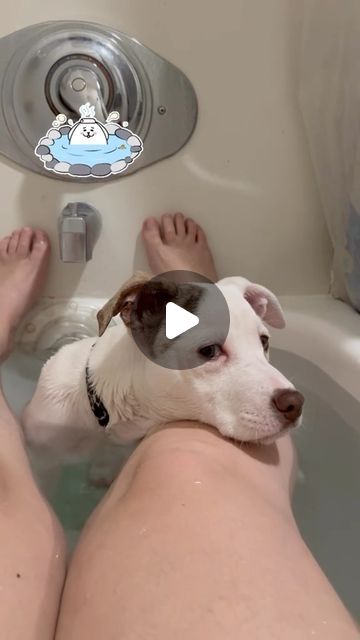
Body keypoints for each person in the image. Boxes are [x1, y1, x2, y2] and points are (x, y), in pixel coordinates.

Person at [0, 215, 357, 640]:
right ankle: (201, 297)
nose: (286, 391)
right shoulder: (51, 408)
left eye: (261, 342)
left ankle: (209, 302)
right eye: (210, 350)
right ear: (134, 316)